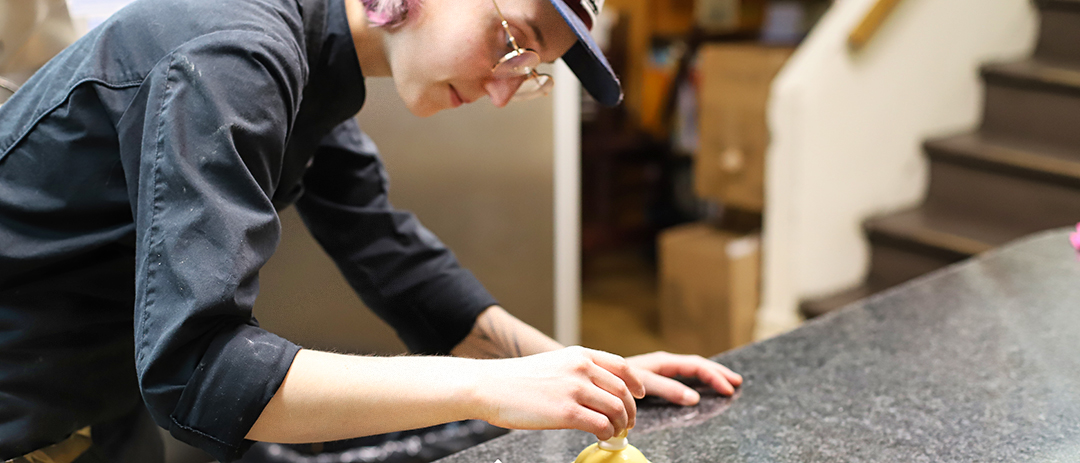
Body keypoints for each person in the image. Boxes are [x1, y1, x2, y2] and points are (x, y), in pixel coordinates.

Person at [0, 0, 744, 461]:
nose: (500, 91)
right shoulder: (232, 52)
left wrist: (590, 374)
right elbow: (201, 372)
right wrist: (492, 386)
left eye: (532, 69)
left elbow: (398, 263)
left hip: (97, 410)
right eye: (511, 40)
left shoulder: (317, 67)